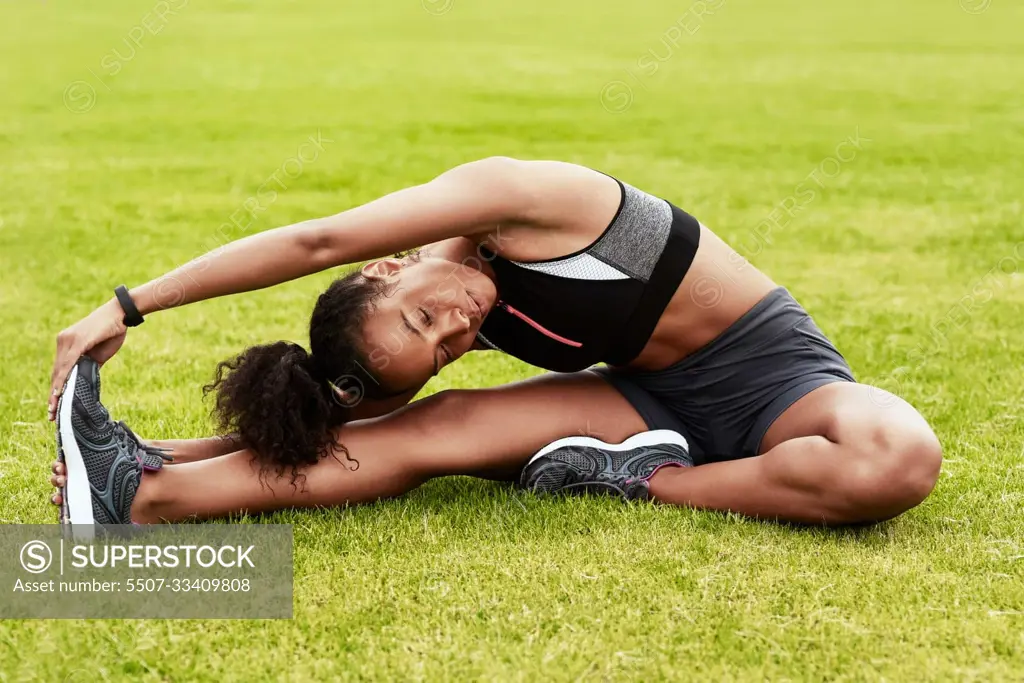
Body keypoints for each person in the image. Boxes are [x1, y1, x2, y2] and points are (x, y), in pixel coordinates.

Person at [47, 157, 942, 526]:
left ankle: (645, 480)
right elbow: (357, 427)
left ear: (391, 266)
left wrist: (128, 305)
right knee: (432, 430)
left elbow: (312, 244)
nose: (459, 328)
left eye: (423, 318)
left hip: (772, 380)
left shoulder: (524, 198)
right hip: (640, 398)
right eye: (440, 345)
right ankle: (146, 494)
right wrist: (160, 451)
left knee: (894, 461)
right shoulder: (448, 308)